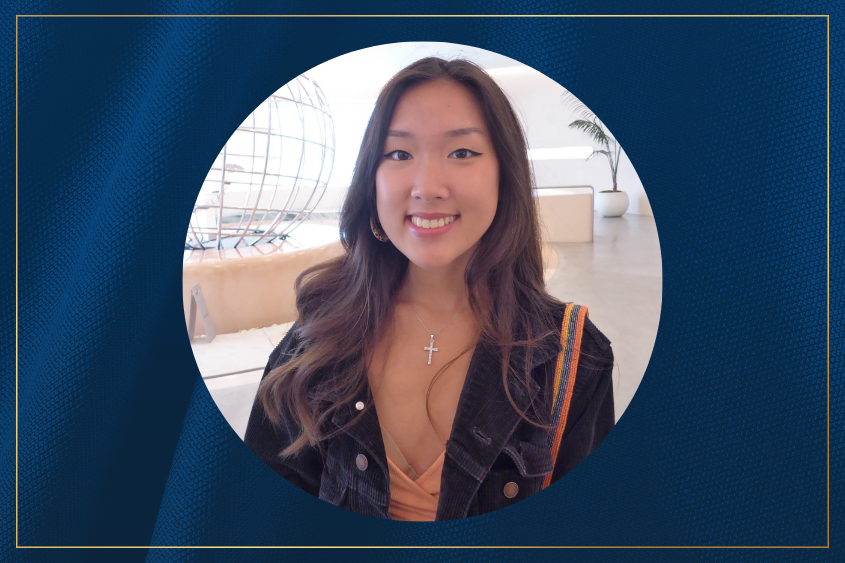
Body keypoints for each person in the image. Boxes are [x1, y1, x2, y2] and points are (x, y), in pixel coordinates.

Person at [244, 57, 614, 521]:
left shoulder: (573, 357)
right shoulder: (317, 338)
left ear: (505, 173)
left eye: (462, 153)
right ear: (371, 180)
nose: (427, 187)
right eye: (399, 154)